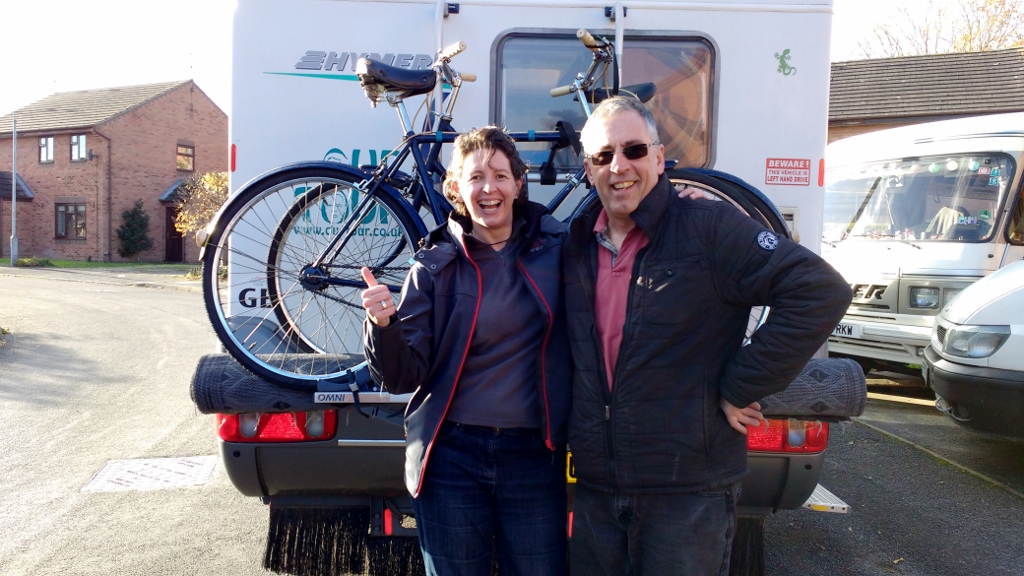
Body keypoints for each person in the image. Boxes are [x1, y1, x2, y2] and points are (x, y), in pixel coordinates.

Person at [562, 96, 852, 576]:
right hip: (598, 488)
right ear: (588, 168)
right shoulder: (575, 241)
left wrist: (741, 385)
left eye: (633, 150)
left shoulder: (709, 226)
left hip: (686, 492)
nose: (619, 167)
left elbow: (819, 291)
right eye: (602, 155)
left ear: (658, 157)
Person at [360, 126, 571, 576]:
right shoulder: (434, 266)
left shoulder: (560, 252)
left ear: (518, 183)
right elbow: (401, 377)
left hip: (534, 454)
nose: (488, 187)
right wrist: (383, 326)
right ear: (456, 187)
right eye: (475, 177)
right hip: (452, 456)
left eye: (499, 175)